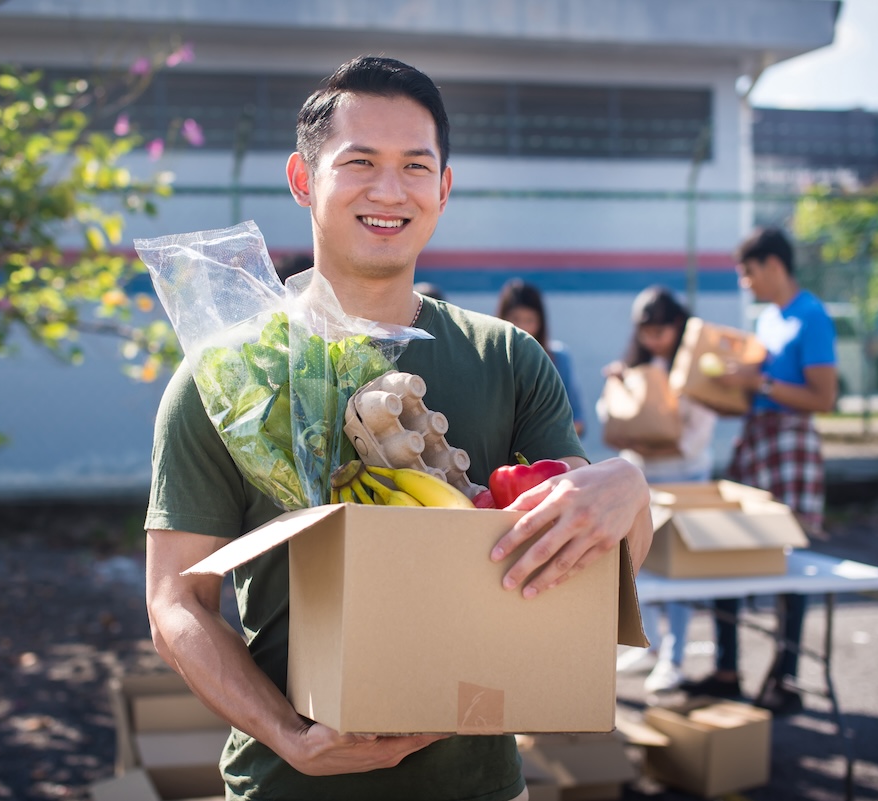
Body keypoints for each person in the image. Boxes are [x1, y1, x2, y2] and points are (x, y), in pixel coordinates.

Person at [144, 55, 653, 801]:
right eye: (359, 163)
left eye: (416, 166)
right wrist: (290, 736)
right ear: (302, 180)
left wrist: (630, 490)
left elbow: (591, 574)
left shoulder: (506, 358)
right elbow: (175, 602)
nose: (389, 190)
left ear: (443, 188)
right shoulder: (227, 380)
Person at [680, 227, 837, 715]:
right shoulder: (768, 320)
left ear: (773, 265)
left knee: (789, 555)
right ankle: (728, 669)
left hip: (791, 442)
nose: (744, 283)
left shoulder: (812, 316)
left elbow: (823, 398)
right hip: (757, 439)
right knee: (729, 548)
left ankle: (784, 677)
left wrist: (758, 380)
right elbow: (758, 389)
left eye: (748, 272)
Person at [599, 286, 718, 693]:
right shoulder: (635, 364)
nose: (653, 339)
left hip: (685, 477)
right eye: (646, 332)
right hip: (643, 477)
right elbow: (612, 417)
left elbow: (697, 434)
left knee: (678, 569)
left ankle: (675, 656)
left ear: (677, 326)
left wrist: (656, 438)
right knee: (640, 563)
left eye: (661, 331)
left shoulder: (693, 367)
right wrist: (618, 385)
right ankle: (650, 645)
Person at [496, 278, 587, 436]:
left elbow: (577, 422)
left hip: (549, 454)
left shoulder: (559, 359)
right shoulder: (490, 361)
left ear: (541, 323)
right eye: (515, 319)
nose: (522, 327)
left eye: (529, 320)